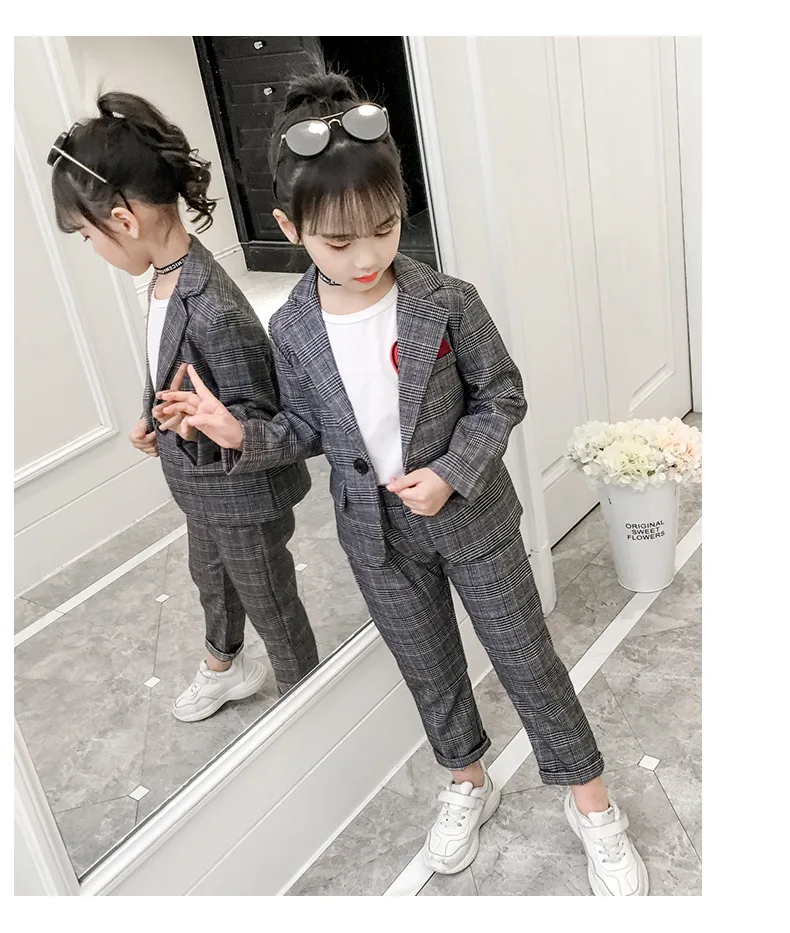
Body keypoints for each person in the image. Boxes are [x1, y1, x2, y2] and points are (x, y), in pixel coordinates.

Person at [160, 70, 648, 895]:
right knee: (430, 670)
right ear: (290, 228)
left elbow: (502, 394)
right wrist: (239, 432)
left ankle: (590, 800)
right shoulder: (293, 326)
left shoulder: (446, 301)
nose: (366, 256)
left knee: (527, 661)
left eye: (384, 228)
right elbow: (308, 429)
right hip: (375, 537)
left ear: (400, 208)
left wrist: (451, 473)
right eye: (337, 241)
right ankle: (466, 779)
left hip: (474, 522)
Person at [48, 91, 319, 720]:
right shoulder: (165, 280)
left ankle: (308, 701)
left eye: (88, 236)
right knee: (211, 579)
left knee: (271, 603)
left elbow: (259, 419)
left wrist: (196, 426)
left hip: (243, 497)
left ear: (123, 219)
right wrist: (154, 415)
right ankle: (225, 664)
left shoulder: (215, 308)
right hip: (200, 485)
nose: (92, 249)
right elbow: (173, 369)